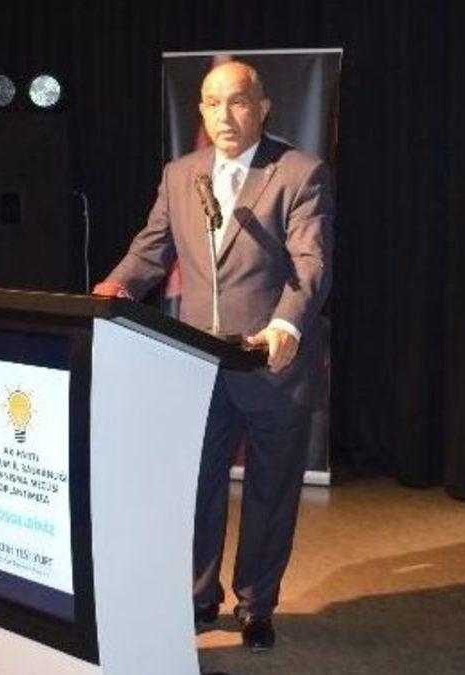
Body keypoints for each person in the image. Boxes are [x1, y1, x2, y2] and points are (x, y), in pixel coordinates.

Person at [93, 61, 333, 652]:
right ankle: (199, 596)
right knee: (196, 487)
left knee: (270, 493)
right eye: (211, 103)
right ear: (200, 110)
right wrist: (114, 288)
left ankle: (256, 604)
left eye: (238, 102)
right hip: (196, 365)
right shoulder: (181, 174)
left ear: (262, 107)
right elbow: (150, 250)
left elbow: (311, 262)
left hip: (272, 365)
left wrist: (286, 324)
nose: (224, 115)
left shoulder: (299, 172)